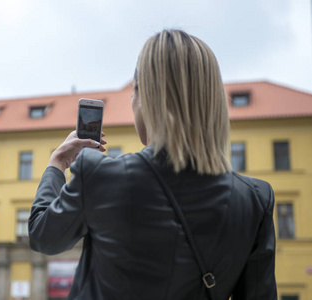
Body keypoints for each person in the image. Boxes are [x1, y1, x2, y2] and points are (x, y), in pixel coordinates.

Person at [29, 29, 277, 299]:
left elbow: (43, 236)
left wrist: (58, 163)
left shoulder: (99, 174)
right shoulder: (255, 199)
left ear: (144, 96)